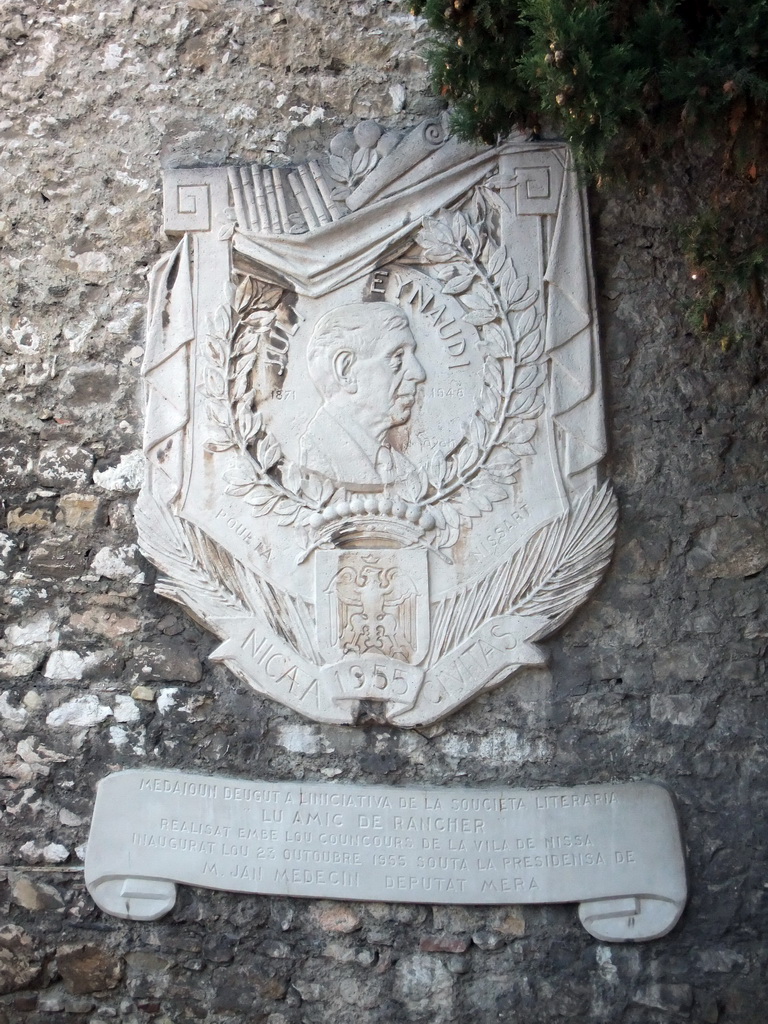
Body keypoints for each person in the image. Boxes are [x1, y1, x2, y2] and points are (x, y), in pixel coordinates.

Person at [299, 302, 425, 486]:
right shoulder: (317, 457)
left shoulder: (405, 470)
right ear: (346, 371)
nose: (418, 373)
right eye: (398, 357)